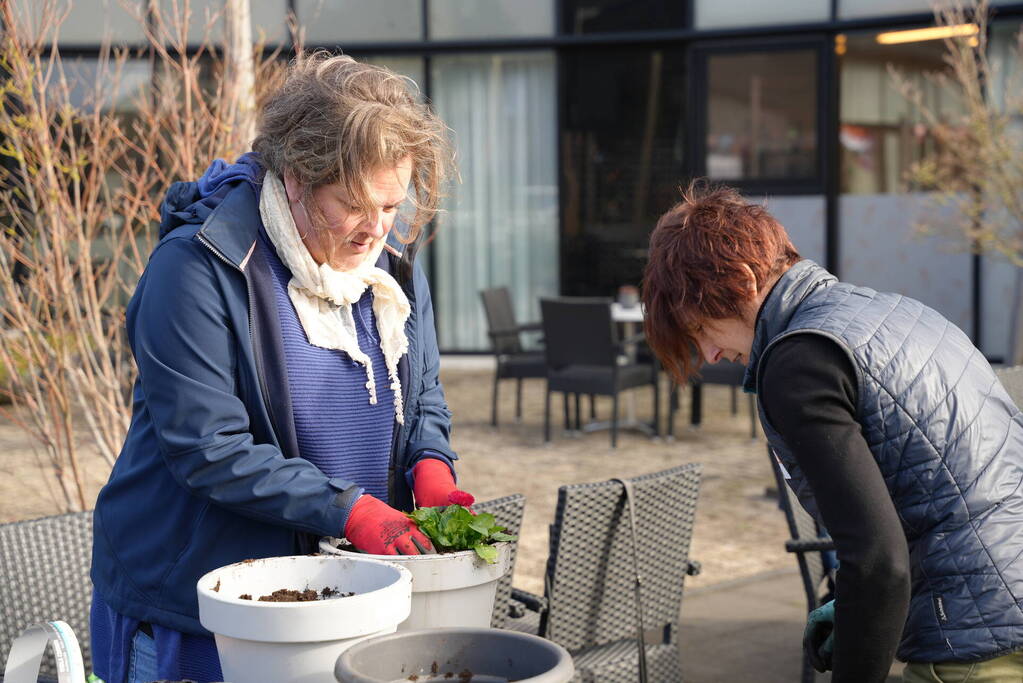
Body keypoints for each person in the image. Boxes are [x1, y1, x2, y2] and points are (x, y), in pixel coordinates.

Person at [89, 53, 473, 683]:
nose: (376, 230)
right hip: (201, 608)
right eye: (353, 204)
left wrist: (430, 461)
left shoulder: (391, 271)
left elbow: (422, 391)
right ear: (295, 177)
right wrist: (349, 509)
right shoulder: (198, 269)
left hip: (333, 597)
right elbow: (209, 448)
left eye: (391, 205)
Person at [641, 182, 1023, 683]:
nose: (711, 355)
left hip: (978, 647)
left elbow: (877, 561)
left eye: (701, 329)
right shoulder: (900, 313)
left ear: (743, 278)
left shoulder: (800, 360)